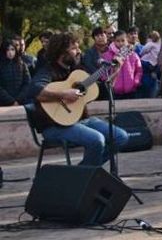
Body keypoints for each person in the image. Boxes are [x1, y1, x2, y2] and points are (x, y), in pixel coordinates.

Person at [24, 32, 129, 166]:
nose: (79, 51)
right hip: (54, 126)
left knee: (121, 137)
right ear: (61, 52)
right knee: (97, 139)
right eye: (74, 48)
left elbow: (104, 91)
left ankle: (82, 172)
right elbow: (35, 91)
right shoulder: (47, 71)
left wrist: (116, 70)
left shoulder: (78, 70)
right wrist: (63, 94)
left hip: (81, 120)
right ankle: (85, 177)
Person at [102, 30, 143, 100]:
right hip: (115, 92)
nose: (120, 43)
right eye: (118, 41)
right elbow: (103, 73)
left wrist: (136, 82)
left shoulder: (133, 55)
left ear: (126, 40)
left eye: (123, 40)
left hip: (131, 91)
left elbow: (139, 70)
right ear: (114, 41)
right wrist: (109, 84)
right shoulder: (107, 55)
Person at [0, 39, 30, 106]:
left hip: (21, 102)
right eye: (7, 50)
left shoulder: (22, 64)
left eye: (12, 49)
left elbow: (27, 83)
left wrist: (19, 99)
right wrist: (11, 101)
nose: (10, 52)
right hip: (3, 103)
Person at [139, 31, 161, 99]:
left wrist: (141, 55)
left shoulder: (150, 44)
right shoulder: (159, 45)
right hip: (155, 63)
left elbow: (144, 50)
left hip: (148, 63)